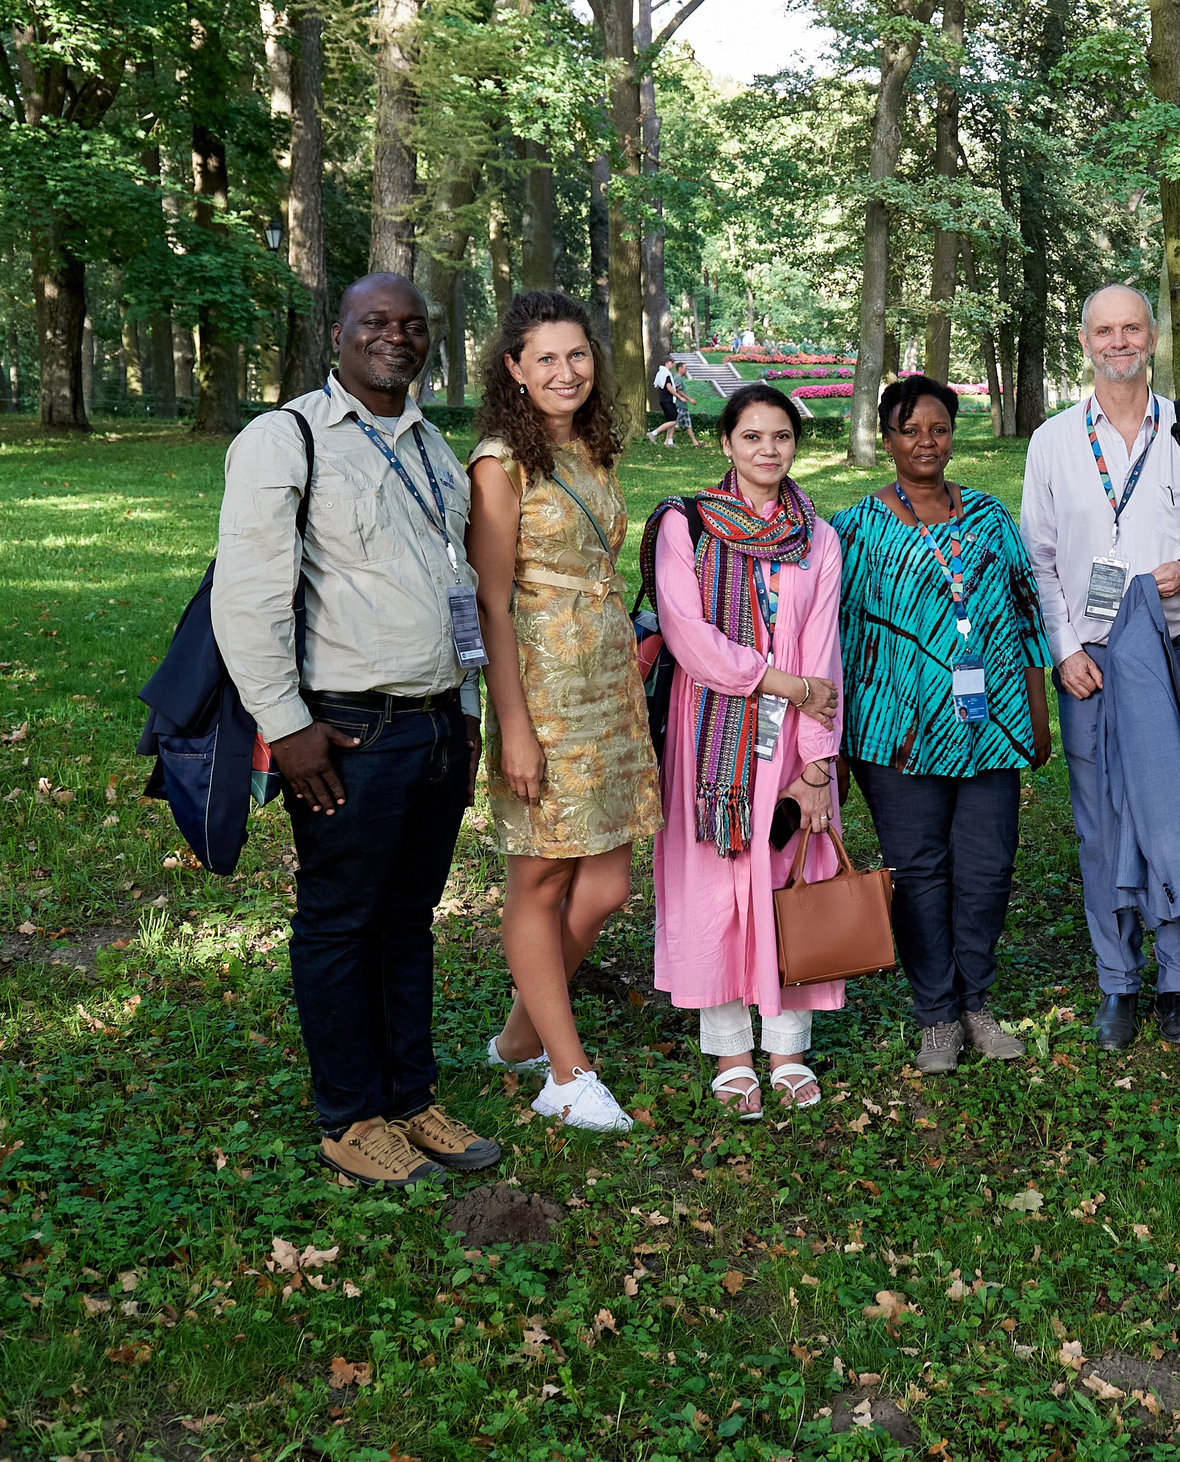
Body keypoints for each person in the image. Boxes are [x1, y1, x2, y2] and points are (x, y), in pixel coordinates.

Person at [213, 271, 502, 1186]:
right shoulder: (286, 438)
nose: (396, 337)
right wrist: (286, 724)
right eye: (375, 321)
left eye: (412, 325)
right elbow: (247, 595)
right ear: (337, 334)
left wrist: (466, 713)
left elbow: (457, 586)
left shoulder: (433, 446)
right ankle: (350, 1117)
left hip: (435, 725)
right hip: (346, 733)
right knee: (340, 922)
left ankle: (411, 1098)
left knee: (408, 920)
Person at [1020, 285, 1180, 1051]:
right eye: (1104, 330)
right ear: (1086, 341)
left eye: (1131, 328)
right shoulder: (1053, 441)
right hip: (1093, 665)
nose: (1118, 341)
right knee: (1101, 825)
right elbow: (1039, 558)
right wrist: (1064, 649)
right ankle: (1117, 981)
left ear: (1152, 337)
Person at [465, 292, 662, 1133]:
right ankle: (566, 1073)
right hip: (542, 690)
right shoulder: (499, 462)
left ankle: (520, 1034)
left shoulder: (590, 447)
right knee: (540, 877)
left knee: (609, 882)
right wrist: (513, 725)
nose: (564, 371)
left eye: (577, 354)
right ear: (513, 368)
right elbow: (491, 601)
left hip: (608, 685)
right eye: (544, 357)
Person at [836, 374, 1053, 1073]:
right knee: (920, 871)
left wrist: (1036, 713)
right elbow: (835, 640)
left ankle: (976, 1004)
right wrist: (833, 747)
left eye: (938, 428)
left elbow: (1025, 614)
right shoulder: (854, 529)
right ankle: (936, 1014)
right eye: (909, 430)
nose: (925, 442)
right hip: (895, 731)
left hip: (990, 725)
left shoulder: (989, 517)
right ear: (887, 439)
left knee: (987, 867)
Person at [649, 384, 846, 1116]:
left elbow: (824, 653)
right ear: (726, 443)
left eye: (781, 436)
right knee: (716, 886)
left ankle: (788, 1047)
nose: (769, 449)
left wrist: (817, 765)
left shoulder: (818, 537)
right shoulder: (687, 524)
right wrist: (780, 682)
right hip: (712, 736)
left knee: (790, 877)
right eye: (752, 436)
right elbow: (687, 636)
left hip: (793, 735)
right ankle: (732, 1049)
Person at [649, 359, 694, 447]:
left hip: (665, 399)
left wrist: (673, 386)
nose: (672, 365)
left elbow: (665, 386)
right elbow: (669, 388)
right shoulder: (666, 374)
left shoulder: (661, 373)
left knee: (671, 420)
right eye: (671, 363)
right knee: (673, 421)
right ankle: (653, 433)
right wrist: (679, 397)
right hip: (668, 400)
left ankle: (669, 441)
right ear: (667, 363)